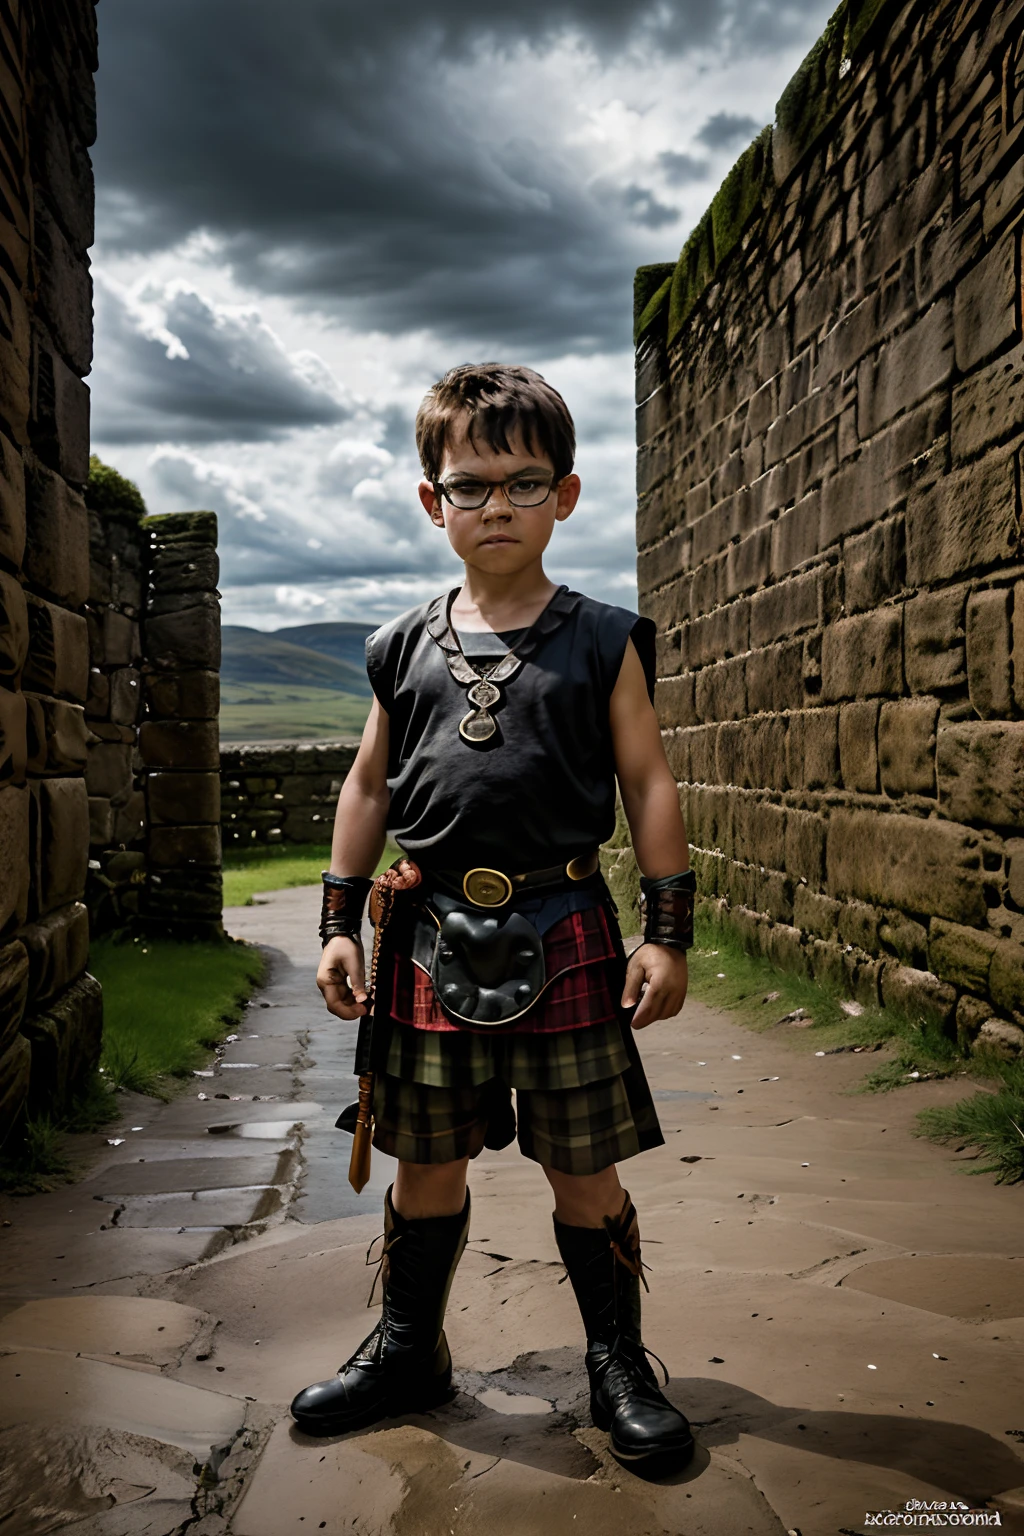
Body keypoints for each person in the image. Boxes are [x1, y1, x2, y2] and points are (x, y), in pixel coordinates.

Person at [290, 362, 697, 1472]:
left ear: (566, 495)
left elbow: (648, 781)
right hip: (424, 938)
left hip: (564, 923)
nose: (498, 506)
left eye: (525, 483)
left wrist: (667, 931)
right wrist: (338, 923)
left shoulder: (604, 636)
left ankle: (617, 1364)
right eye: (470, 485)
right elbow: (368, 788)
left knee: (585, 1166)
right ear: (433, 501)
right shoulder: (398, 647)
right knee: (426, 1162)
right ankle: (410, 1347)